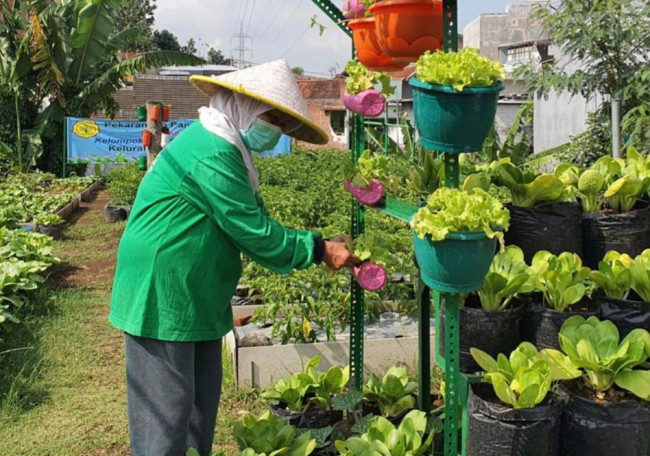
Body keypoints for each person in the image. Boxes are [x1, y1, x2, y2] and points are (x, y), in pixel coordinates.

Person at [109, 59, 359, 456]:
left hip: (195, 292)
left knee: (198, 406)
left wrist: (320, 242)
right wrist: (319, 248)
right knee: (166, 417)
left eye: (280, 121)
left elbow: (252, 220)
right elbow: (253, 232)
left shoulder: (223, 145)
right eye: (272, 116)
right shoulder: (212, 151)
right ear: (243, 106)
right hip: (162, 290)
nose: (275, 128)